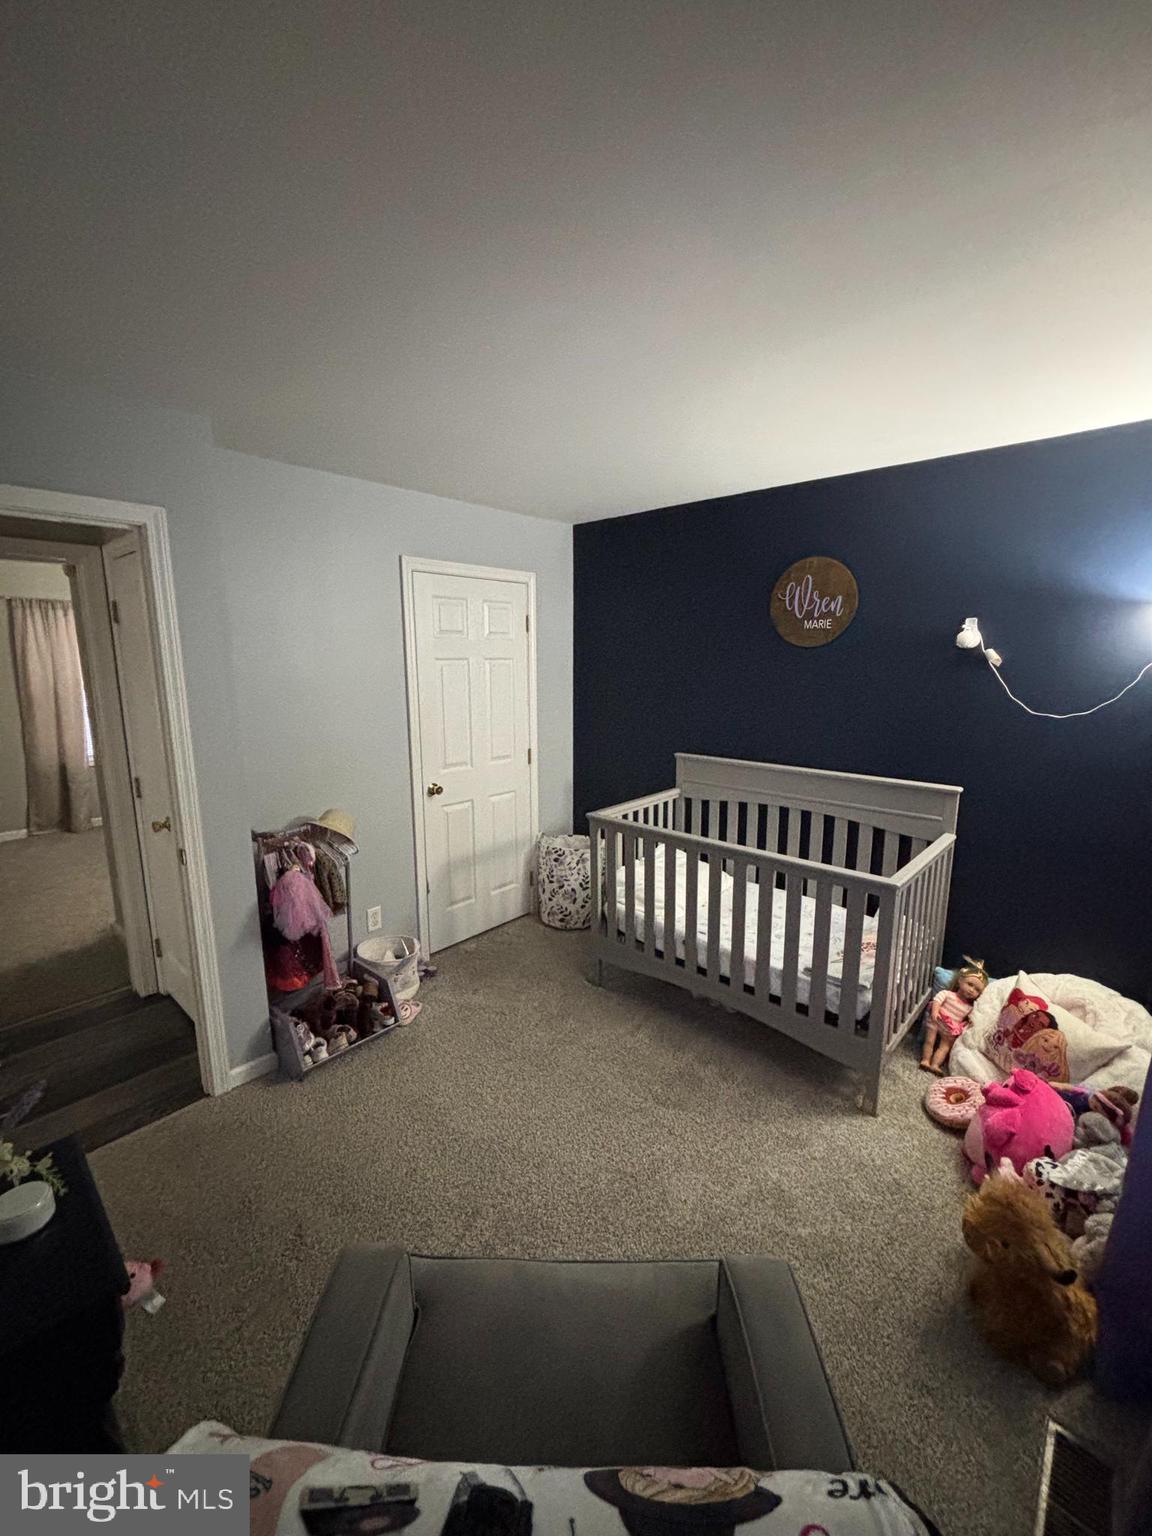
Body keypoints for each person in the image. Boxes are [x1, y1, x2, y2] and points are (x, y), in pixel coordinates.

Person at [920, 958, 988, 1075]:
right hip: (937, 1020)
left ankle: (935, 1064)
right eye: (970, 984)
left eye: (977, 990)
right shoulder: (948, 994)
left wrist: (970, 1022)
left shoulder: (969, 1007)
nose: (972, 990)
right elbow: (937, 1000)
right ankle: (925, 1060)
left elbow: (970, 1018)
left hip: (950, 1029)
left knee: (945, 1047)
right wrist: (935, 1012)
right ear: (960, 981)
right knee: (929, 1041)